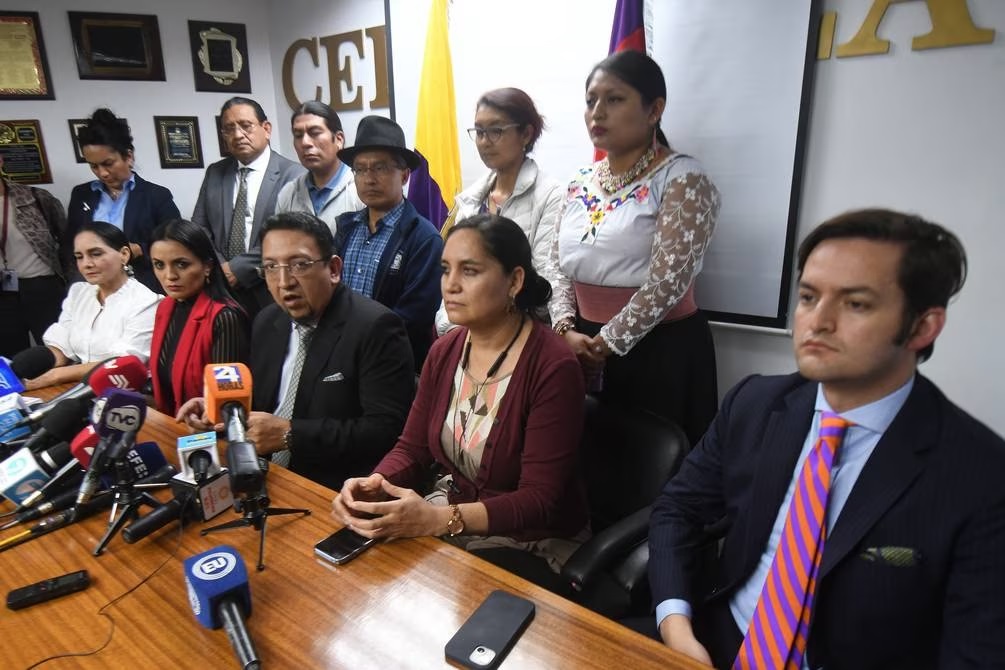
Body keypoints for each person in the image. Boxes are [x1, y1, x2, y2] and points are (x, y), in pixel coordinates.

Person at [648, 209, 1005, 669]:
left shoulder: (981, 476)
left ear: (922, 326)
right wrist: (676, 625)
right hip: (711, 648)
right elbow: (678, 509)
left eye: (855, 304)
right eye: (809, 297)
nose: (818, 321)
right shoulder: (756, 403)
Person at [332, 214, 588, 592]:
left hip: (531, 541)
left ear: (514, 281)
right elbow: (412, 447)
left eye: (469, 271)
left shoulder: (553, 366)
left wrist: (437, 520)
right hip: (454, 513)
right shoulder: (446, 349)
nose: (450, 285)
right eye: (445, 270)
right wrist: (377, 483)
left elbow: (538, 501)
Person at [545, 51, 721, 446]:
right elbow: (556, 265)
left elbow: (668, 282)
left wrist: (604, 345)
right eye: (591, 100)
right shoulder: (579, 181)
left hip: (660, 350)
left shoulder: (684, 178)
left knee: (661, 472)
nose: (597, 112)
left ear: (654, 109)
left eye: (615, 99)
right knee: (588, 465)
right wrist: (564, 329)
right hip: (581, 343)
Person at [177, 211, 415, 491]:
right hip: (262, 475)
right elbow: (262, 408)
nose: (284, 281)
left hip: (330, 486)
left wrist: (291, 435)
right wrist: (222, 413)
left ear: (334, 269)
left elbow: (384, 432)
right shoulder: (267, 320)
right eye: (271, 267)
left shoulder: (376, 327)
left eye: (299, 265)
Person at [435, 87, 561, 335]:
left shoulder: (551, 195)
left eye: (495, 131)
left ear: (526, 134)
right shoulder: (471, 200)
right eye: (479, 131)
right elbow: (453, 274)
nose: (484, 141)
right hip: (464, 334)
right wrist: (449, 327)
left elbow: (545, 286)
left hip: (520, 335)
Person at [334, 115, 443, 370]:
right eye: (360, 169)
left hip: (393, 364)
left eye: (380, 168)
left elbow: (414, 317)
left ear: (404, 176)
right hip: (340, 360)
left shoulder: (424, 239)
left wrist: (359, 344)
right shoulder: (344, 229)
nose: (369, 178)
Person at [191, 97, 304, 317]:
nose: (237, 135)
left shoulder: (294, 175)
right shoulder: (215, 172)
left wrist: (238, 269)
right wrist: (221, 268)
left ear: (266, 128)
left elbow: (290, 235)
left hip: (270, 288)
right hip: (222, 290)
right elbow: (199, 228)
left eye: (245, 126)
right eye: (229, 129)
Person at [22, 222, 160, 390]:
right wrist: (26, 367)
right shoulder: (79, 293)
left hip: (120, 395)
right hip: (72, 388)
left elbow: (122, 363)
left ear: (124, 254)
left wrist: (55, 376)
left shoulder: (146, 302)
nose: (86, 264)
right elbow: (61, 345)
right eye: (79, 257)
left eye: (95, 254)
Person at [67, 108, 181, 293]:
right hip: (92, 288)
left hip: (143, 285)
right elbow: (70, 244)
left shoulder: (156, 196)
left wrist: (140, 249)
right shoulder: (82, 195)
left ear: (128, 156)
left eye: (108, 163)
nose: (102, 173)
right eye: (93, 166)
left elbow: (176, 243)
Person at [148, 219, 250, 416]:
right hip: (170, 423)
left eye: (181, 264)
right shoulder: (164, 306)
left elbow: (227, 403)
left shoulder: (225, 317)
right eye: (159, 265)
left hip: (208, 435)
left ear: (207, 266)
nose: (169, 276)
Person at [0, 155, 69, 358]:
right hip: (3, 295)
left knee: (59, 351)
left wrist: (73, 283)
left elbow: (67, 242)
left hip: (42, 286)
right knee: (11, 358)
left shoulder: (35, 197)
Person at [275, 101, 362, 234]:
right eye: (298, 135)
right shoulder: (289, 193)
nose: (305, 143)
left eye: (314, 133)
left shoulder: (361, 190)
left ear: (339, 139)